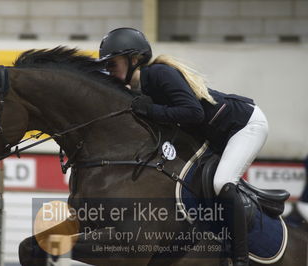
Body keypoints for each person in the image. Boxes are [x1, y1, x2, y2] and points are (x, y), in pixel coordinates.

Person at [99, 27, 269, 266]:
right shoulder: (138, 89)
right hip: (215, 135)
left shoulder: (158, 73)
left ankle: (241, 259)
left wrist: (151, 110)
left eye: (112, 64)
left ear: (134, 59)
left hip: (243, 125)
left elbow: (194, 113)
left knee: (222, 183)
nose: (109, 71)